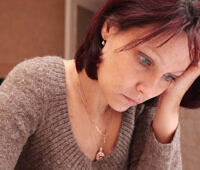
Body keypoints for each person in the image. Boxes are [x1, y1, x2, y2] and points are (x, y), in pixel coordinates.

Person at [0, 0, 200, 169]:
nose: (147, 89)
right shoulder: (34, 85)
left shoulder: (145, 109)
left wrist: (169, 104)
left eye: (169, 77)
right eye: (145, 61)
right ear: (109, 27)